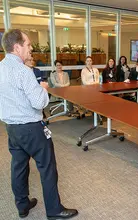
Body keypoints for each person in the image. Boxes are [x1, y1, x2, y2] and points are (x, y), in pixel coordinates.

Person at [0, 29, 77, 219]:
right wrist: (42, 88)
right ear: (17, 47)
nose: (31, 48)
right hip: (32, 128)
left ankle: (22, 205)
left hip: (11, 129)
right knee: (47, 167)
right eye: (27, 44)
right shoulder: (23, 72)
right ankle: (54, 210)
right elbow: (40, 103)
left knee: (19, 167)